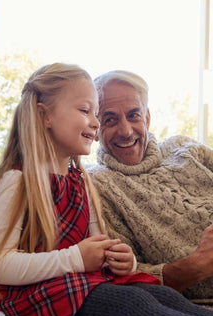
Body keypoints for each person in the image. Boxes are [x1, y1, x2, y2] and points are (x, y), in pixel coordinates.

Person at [0, 63, 213, 316]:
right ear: (45, 116)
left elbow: (99, 248)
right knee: (134, 308)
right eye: (88, 112)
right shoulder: (18, 181)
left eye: (95, 114)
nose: (94, 123)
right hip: (39, 299)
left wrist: (123, 261)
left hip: (82, 285)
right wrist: (75, 258)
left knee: (161, 295)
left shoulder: (81, 182)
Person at [90, 70, 213, 303]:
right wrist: (196, 265)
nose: (126, 131)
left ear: (146, 118)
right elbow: (126, 279)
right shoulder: (97, 185)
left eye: (133, 115)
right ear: (95, 128)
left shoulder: (183, 146)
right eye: (110, 119)